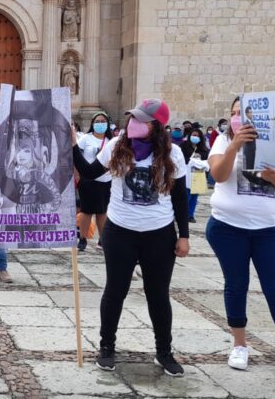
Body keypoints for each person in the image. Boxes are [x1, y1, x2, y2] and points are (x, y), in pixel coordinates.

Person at [72, 98, 190, 376]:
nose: (133, 123)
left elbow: (180, 198)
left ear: (157, 126)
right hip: (119, 231)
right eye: (133, 117)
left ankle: (164, 351)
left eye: (141, 119)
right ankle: (106, 347)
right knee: (115, 290)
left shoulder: (173, 154)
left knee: (158, 295)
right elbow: (89, 173)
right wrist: (72, 146)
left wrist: (183, 236)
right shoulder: (117, 145)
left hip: (159, 234)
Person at [205, 97, 275, 384]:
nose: (235, 118)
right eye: (232, 114)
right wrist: (234, 145)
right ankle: (239, 345)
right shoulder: (223, 140)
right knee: (236, 284)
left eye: (240, 113)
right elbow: (218, 175)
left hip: (269, 229)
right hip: (228, 227)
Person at [76, 112, 113, 251]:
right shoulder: (86, 138)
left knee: (102, 211)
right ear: (93, 123)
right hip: (88, 180)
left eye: (103, 121)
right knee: (86, 211)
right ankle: (83, 239)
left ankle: (102, 240)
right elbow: (76, 156)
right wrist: (78, 174)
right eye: (97, 121)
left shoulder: (111, 141)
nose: (100, 124)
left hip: (106, 180)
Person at [180, 126, 210, 222]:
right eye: (193, 135)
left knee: (194, 196)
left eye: (197, 135)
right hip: (187, 174)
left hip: (198, 174)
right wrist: (194, 161)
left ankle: (190, 215)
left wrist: (195, 161)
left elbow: (206, 160)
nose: (195, 137)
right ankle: (182, 214)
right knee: (186, 196)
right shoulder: (184, 146)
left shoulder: (203, 148)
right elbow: (183, 159)